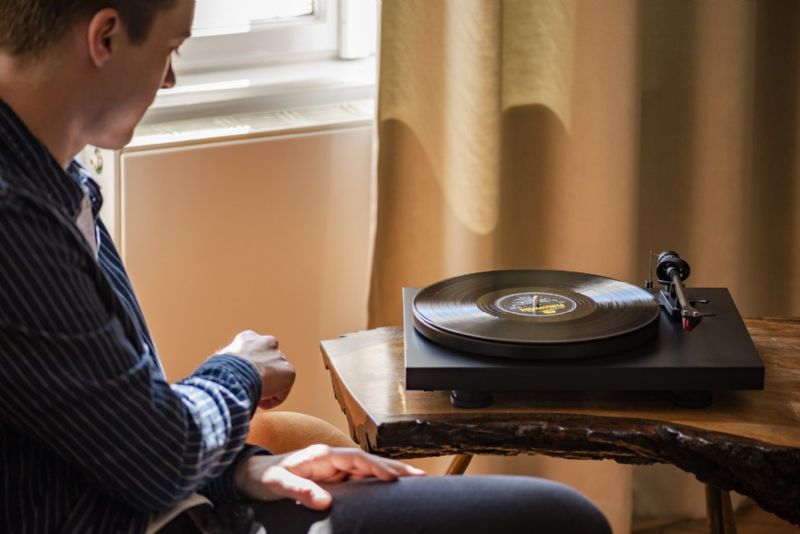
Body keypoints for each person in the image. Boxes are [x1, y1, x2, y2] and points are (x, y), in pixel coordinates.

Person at [0, 1, 612, 533]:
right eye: (169, 47)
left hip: (179, 501)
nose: (170, 79)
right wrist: (238, 371)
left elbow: (103, 427)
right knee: (556, 519)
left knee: (549, 514)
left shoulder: (57, 182)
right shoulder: (16, 220)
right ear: (104, 37)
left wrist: (247, 469)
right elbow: (155, 455)